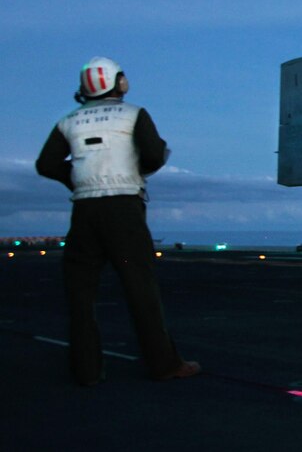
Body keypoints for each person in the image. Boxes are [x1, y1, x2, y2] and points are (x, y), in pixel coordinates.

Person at [36, 57, 199, 385]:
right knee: (141, 289)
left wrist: (77, 179)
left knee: (80, 294)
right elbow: (154, 154)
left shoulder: (69, 121)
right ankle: (163, 364)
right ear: (119, 83)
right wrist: (136, 169)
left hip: (84, 213)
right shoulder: (133, 114)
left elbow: (46, 163)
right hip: (124, 212)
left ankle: (86, 371)